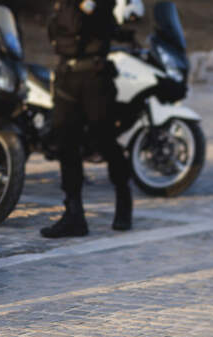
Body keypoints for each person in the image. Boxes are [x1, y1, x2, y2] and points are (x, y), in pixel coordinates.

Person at [40, 0, 133, 238]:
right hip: (67, 77)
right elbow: (56, 33)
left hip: (94, 77)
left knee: (104, 140)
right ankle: (74, 214)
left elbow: (77, 26)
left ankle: (123, 197)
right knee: (65, 144)